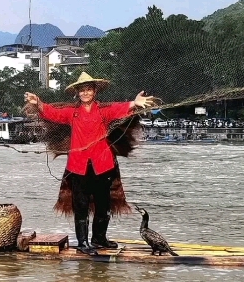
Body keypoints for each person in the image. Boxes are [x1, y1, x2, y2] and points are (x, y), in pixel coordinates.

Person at [24, 73, 156, 254]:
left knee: (104, 204)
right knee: (81, 205)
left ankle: (99, 238)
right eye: (82, 90)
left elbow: (120, 108)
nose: (85, 93)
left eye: (89, 89)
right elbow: (53, 113)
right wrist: (38, 103)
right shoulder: (72, 113)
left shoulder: (103, 111)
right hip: (78, 166)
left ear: (95, 92)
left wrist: (135, 103)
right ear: (77, 93)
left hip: (103, 164)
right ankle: (83, 243)